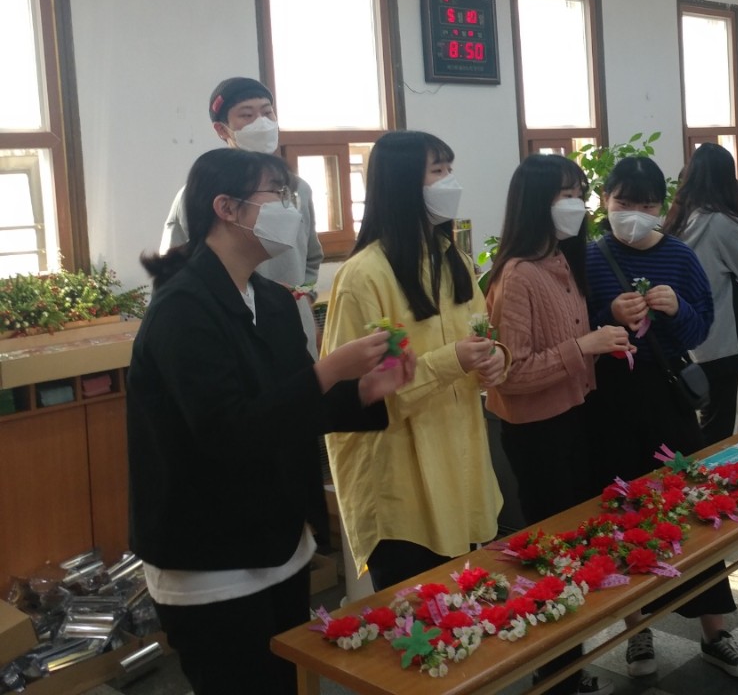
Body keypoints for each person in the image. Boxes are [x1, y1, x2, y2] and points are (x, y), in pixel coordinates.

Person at [128, 148, 413, 695]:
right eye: (277, 195)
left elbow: (293, 405)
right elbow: (227, 430)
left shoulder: (273, 301)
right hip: (210, 555)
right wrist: (328, 370)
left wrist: (364, 390)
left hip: (279, 540)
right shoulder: (183, 309)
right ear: (227, 208)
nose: (291, 207)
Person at [584, 156, 738, 680]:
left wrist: (677, 309)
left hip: (668, 398)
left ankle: (715, 632)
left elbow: (700, 329)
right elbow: (576, 329)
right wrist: (609, 317)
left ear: (662, 206)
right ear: (605, 201)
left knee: (691, 508)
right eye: (623, 202)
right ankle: (636, 630)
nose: (633, 213)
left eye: (645, 204)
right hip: (609, 401)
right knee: (622, 514)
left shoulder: (680, 256)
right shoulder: (590, 258)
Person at [322, 131, 508, 591]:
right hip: (402, 489)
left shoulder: (453, 259)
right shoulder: (364, 275)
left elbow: (482, 336)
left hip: (460, 468)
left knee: (467, 610)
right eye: (437, 171)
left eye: (450, 169)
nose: (450, 182)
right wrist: (452, 361)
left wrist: (495, 360)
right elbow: (356, 397)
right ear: (402, 183)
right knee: (416, 620)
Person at [485, 154, 631, 695]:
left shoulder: (562, 262)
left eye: (578, 193)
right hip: (537, 433)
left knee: (571, 548)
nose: (576, 205)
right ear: (535, 204)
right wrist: (584, 346)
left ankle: (568, 664)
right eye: (564, 195)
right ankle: (554, 673)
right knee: (549, 554)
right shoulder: (518, 275)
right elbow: (511, 373)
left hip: (573, 418)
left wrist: (604, 338)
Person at [160, 77, 323, 357]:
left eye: (267, 112)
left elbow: (311, 257)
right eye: (247, 115)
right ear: (221, 129)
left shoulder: (299, 190)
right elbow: (172, 269)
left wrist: (304, 298)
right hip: (228, 332)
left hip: (293, 329)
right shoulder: (196, 196)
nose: (262, 122)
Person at [663, 144, 738, 444]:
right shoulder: (719, 221)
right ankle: (715, 472)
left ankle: (698, 470)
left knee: (699, 419)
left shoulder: (677, 218)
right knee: (721, 424)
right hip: (720, 337)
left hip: (685, 336)